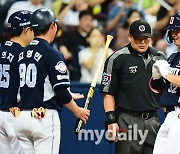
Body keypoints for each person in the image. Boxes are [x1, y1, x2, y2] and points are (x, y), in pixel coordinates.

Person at [13, 8, 90, 154]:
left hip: (21, 117)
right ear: (52, 26)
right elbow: (60, 91)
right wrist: (77, 111)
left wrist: (67, 92)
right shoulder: (53, 53)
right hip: (43, 117)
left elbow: (35, 84)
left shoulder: (22, 53)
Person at [100, 19, 166, 154]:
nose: (142, 42)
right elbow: (108, 94)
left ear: (151, 37)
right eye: (138, 38)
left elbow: (164, 92)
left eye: (145, 38)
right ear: (129, 37)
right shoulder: (117, 58)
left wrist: (169, 117)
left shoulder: (160, 58)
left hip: (153, 119)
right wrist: (111, 121)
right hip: (127, 119)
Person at [0, 10, 34, 154]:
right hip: (16, 115)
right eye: (34, 30)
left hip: (1, 113)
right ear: (26, 30)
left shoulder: (1, 50)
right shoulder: (24, 55)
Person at [151, 13, 180, 154]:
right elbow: (161, 88)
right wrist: (156, 76)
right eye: (172, 31)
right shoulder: (173, 57)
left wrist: (166, 73)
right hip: (170, 114)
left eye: (178, 30)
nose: (174, 34)